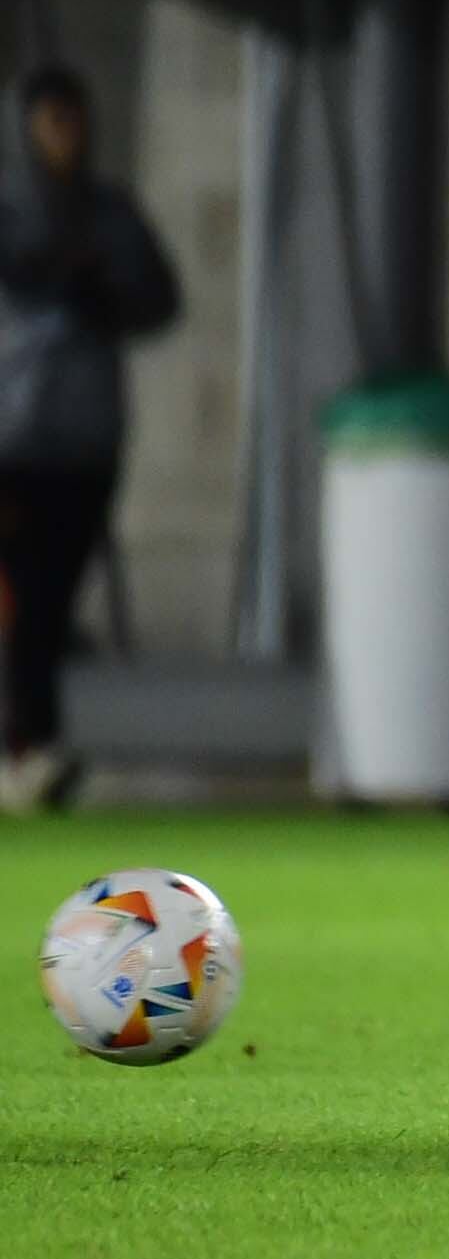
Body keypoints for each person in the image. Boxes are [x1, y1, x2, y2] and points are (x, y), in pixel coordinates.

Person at [0, 65, 181, 813]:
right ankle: (26, 742)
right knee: (20, 599)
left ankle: (33, 744)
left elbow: (161, 299)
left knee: (50, 597)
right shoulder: (8, 212)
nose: (63, 137)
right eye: (51, 122)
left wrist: (107, 294)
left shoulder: (111, 215)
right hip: (11, 434)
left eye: (73, 121)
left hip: (84, 443)